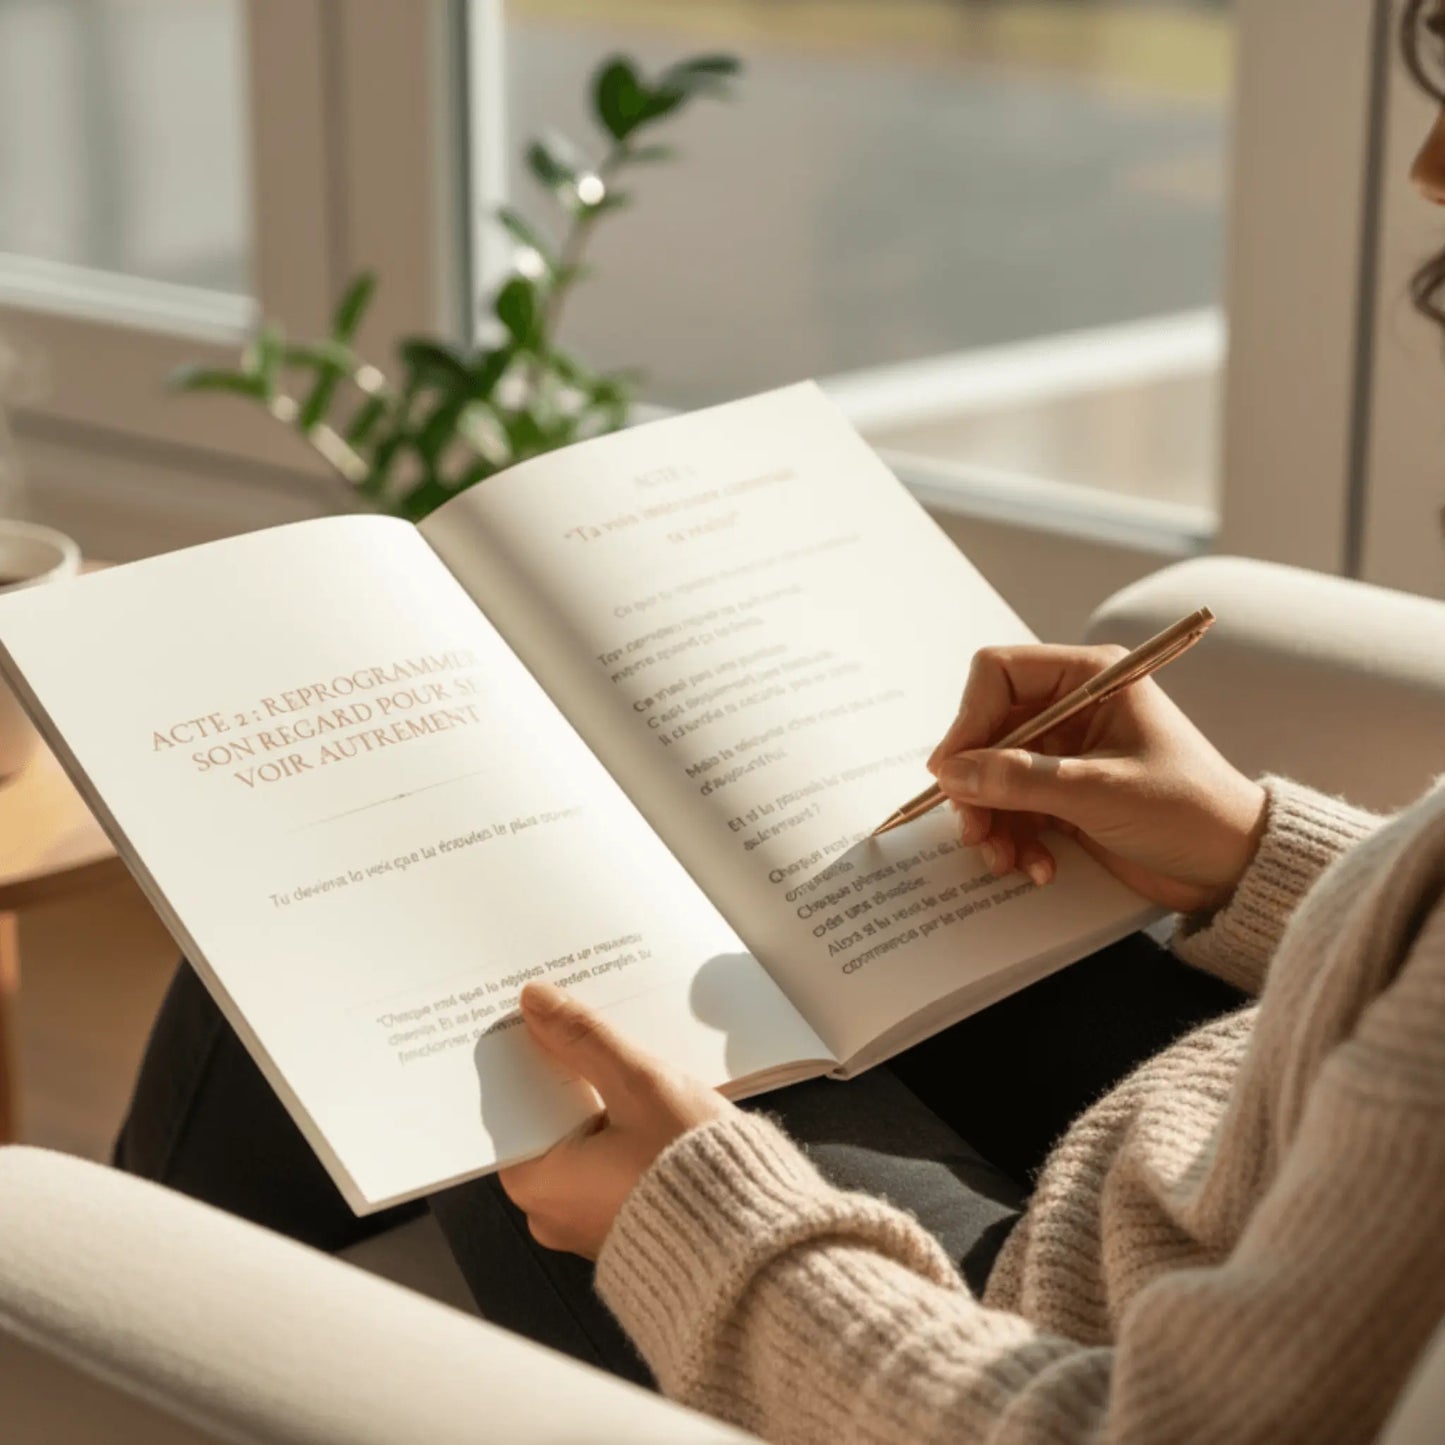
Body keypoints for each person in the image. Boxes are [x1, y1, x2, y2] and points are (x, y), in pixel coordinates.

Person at [116, 5, 1445, 1439]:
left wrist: (697, 1227)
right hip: (1231, 1128)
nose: (1427, 166)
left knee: (387, 952)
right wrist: (1257, 855)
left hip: (1037, 1332)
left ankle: (72, 1337)